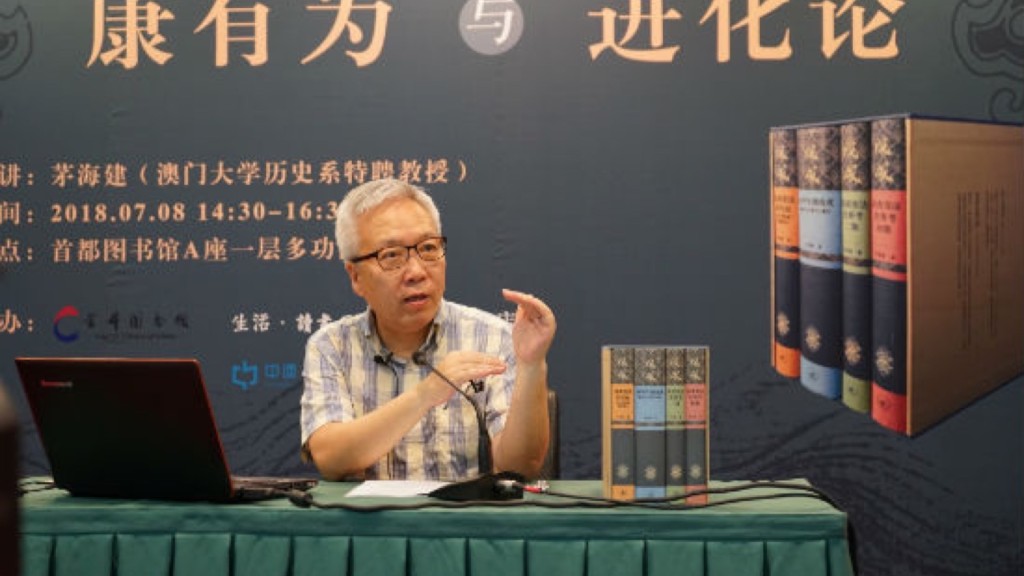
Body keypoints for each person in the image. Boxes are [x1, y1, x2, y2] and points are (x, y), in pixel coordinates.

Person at [300, 178, 556, 481]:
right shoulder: (332, 346)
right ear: (355, 276)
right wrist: (425, 395)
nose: (417, 272)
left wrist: (532, 366)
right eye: (391, 255)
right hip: (370, 514)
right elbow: (331, 458)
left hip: (465, 512)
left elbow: (521, 467)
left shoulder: (493, 337)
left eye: (428, 248)